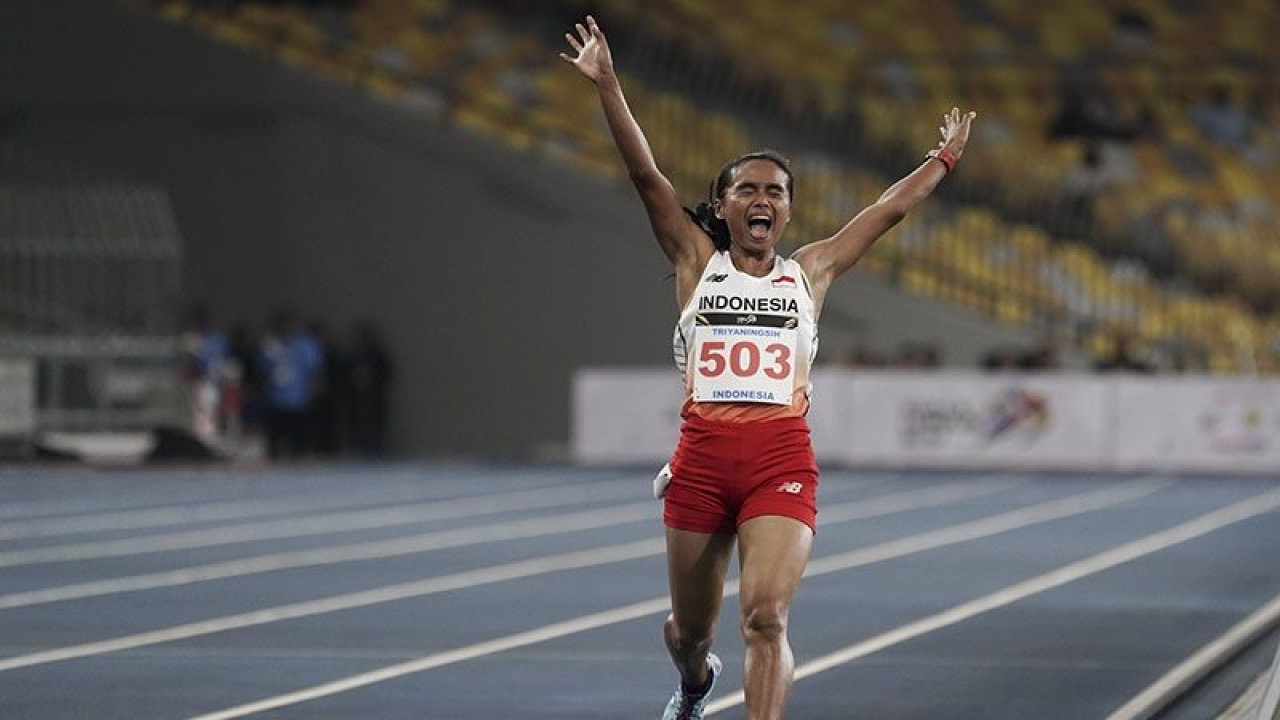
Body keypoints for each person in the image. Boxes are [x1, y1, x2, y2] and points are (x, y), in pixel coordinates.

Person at [561, 16, 976, 720]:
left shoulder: (810, 272)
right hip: (701, 459)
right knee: (689, 632)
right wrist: (608, 83)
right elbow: (644, 173)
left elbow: (885, 212)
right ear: (722, 207)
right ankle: (694, 682)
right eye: (747, 190)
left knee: (765, 619)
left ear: (788, 210)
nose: (762, 200)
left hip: (779, 456)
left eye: (775, 191)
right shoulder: (697, 262)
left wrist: (942, 161)